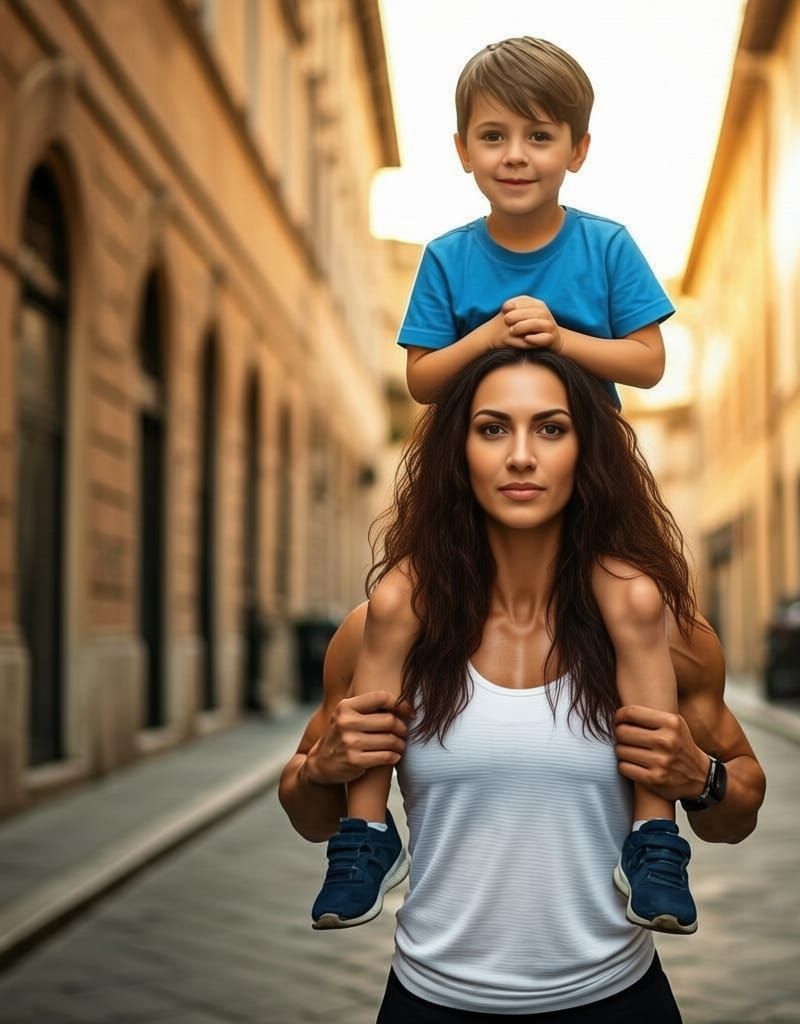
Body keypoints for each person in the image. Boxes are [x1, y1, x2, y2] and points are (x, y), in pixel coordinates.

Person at [308, 35, 703, 936]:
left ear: (578, 150)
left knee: (637, 607)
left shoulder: (605, 246)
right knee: (398, 604)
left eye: (538, 135)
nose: (515, 156)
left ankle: (655, 840)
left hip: (588, 482)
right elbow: (420, 379)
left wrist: (560, 337)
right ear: (462, 152)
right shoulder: (449, 257)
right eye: (493, 136)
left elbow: (646, 361)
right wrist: (487, 338)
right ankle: (366, 833)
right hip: (467, 481)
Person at [280, 350, 767, 1020]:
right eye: (491, 429)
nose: (520, 456)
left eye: (550, 428)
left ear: (584, 452)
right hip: (431, 1003)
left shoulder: (659, 631)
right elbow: (308, 816)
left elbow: (740, 811)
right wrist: (322, 769)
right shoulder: (383, 629)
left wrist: (700, 776)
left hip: (615, 1003)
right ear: (460, 454)